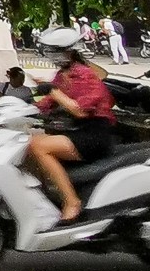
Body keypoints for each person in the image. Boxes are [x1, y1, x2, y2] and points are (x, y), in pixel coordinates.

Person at [28, 25, 117, 223]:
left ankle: (72, 201)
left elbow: (79, 110)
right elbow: (47, 104)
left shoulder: (86, 74)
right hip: (78, 131)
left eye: (54, 51)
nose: (51, 56)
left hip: (94, 134)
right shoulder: (62, 76)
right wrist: (22, 106)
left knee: (38, 145)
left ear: (68, 51)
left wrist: (52, 90)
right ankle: (45, 198)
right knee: (25, 144)